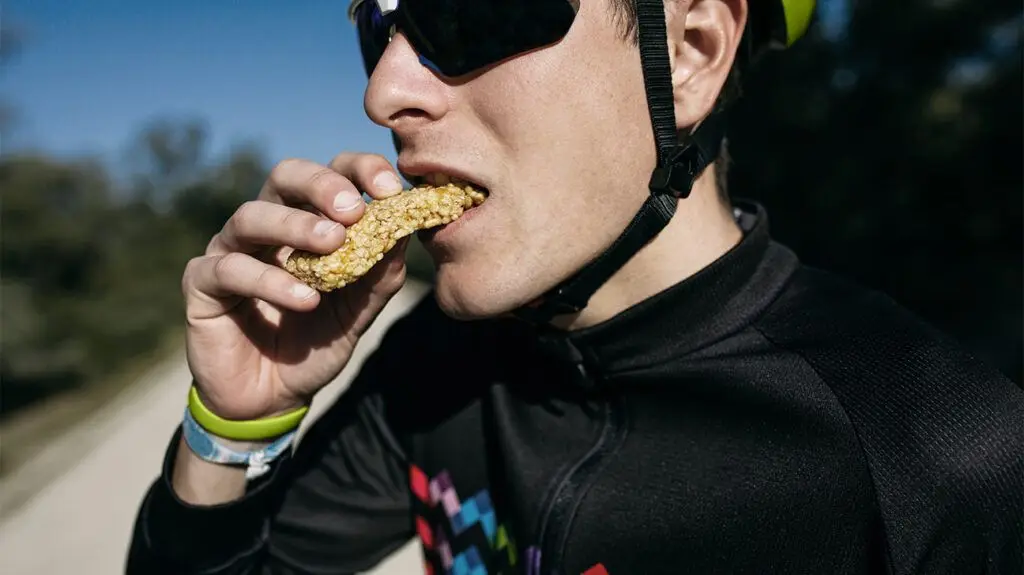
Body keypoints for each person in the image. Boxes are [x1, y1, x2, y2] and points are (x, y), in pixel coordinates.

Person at [126, 0, 1024, 573]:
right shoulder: (434, 366)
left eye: (468, 10)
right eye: (378, 27)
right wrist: (233, 425)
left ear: (693, 49)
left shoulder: (935, 459)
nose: (384, 91)